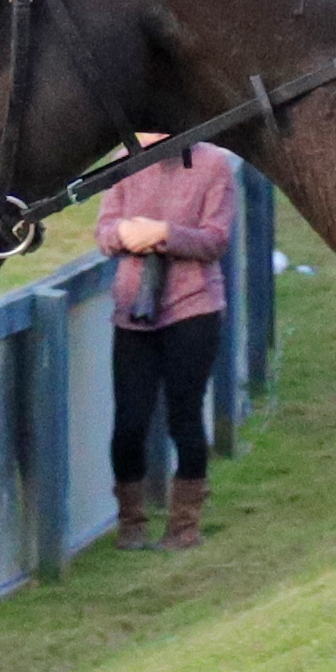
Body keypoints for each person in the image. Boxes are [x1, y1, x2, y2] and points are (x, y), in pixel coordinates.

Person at [100, 129, 242, 550]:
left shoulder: (213, 164)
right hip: (133, 312)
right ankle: (131, 522)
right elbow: (104, 231)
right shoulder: (123, 162)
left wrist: (164, 233)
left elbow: (216, 238)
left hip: (193, 308)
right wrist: (127, 234)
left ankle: (184, 526)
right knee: (129, 422)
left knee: (185, 416)